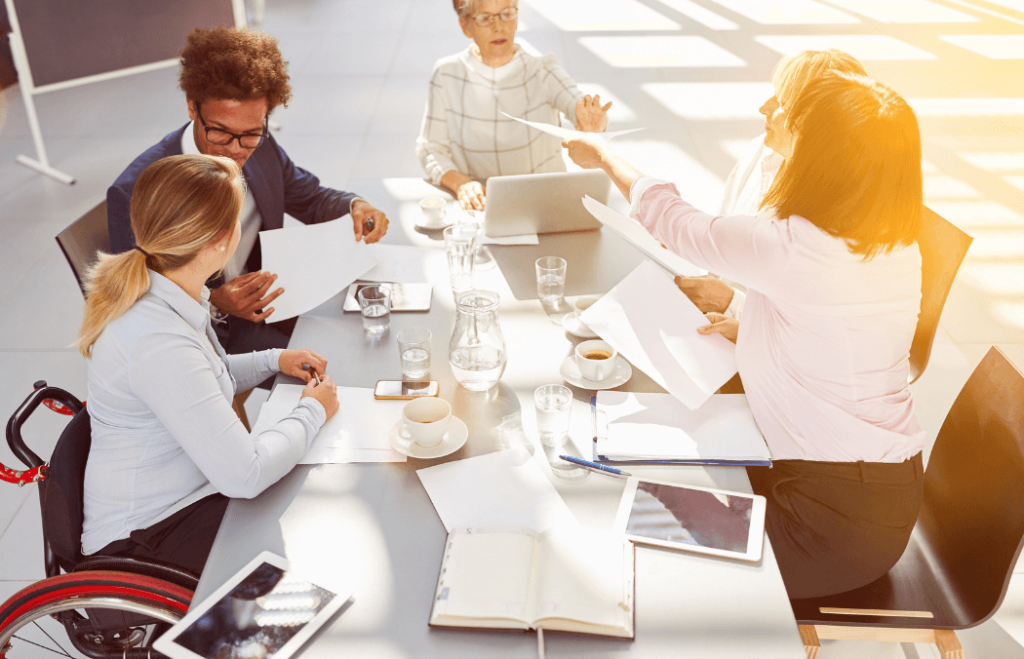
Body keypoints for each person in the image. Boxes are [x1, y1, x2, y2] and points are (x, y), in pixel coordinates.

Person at [563, 72, 926, 599]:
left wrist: (602, 151)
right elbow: (826, 327)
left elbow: (675, 222)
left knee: (637, 541)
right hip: (872, 496)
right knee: (641, 484)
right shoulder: (895, 246)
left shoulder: (793, 246)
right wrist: (747, 319)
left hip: (828, 529)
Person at [79, 154, 340, 575]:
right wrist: (314, 410)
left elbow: (206, 377)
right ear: (221, 239)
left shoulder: (171, 290)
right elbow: (246, 475)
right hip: (146, 536)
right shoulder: (156, 340)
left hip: (186, 495)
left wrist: (275, 359)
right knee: (312, 542)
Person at [108, 27, 390, 359]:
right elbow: (138, 299)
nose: (235, 150)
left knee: (371, 334)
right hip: (204, 335)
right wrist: (212, 300)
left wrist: (354, 205)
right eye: (220, 132)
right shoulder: (137, 191)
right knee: (336, 364)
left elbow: (309, 197)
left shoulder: (262, 146)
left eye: (251, 134)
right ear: (191, 107)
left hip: (272, 299)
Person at [675, 49, 867, 322]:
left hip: (773, 347)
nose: (763, 107)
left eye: (782, 102)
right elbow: (724, 235)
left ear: (817, 122)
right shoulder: (763, 150)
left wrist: (729, 304)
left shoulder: (842, 216)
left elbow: (811, 328)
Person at [416, 0, 612, 211]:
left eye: (507, 14)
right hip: (480, 208)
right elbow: (430, 149)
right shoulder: (446, 74)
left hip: (545, 206)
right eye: (484, 18)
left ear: (517, 18)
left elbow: (577, 104)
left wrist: (592, 125)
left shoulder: (544, 70)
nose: (498, 26)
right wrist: (461, 184)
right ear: (465, 26)